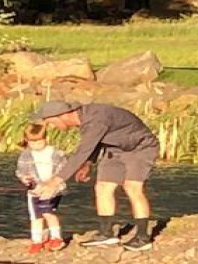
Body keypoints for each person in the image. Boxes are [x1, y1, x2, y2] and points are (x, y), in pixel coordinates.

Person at [30, 101, 159, 252]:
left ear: (62, 115)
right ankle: (107, 234)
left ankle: (142, 238)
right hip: (115, 149)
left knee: (132, 187)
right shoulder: (85, 119)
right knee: (103, 187)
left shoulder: (96, 119)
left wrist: (56, 181)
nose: (51, 126)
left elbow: (82, 151)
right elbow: (95, 142)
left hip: (141, 148)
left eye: (50, 122)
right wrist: (88, 164)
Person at [15, 123, 67, 254]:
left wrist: (52, 184)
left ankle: (56, 238)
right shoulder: (25, 155)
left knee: (48, 212)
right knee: (35, 217)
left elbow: (64, 171)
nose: (36, 146)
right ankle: (37, 240)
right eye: (32, 143)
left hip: (53, 190)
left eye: (39, 142)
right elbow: (20, 171)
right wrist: (24, 178)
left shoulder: (56, 154)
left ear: (46, 139)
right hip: (34, 191)